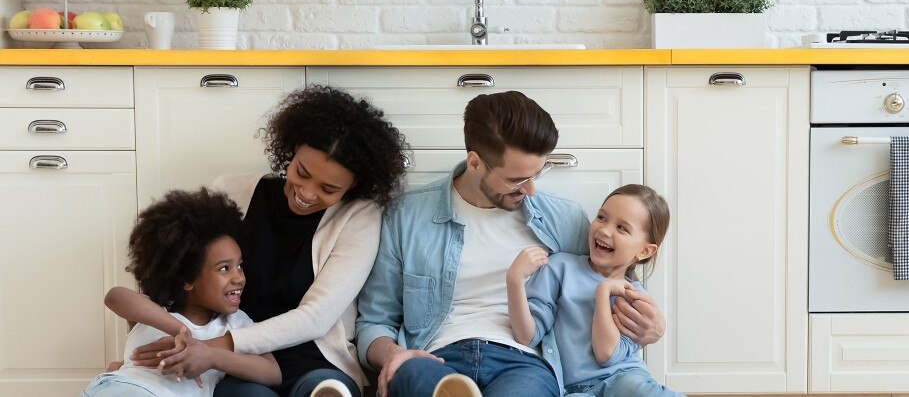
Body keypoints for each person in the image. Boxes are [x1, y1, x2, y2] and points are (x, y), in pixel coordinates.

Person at [356, 91, 667, 397]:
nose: (531, 189)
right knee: (414, 375)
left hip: (524, 361)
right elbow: (375, 320)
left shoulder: (564, 218)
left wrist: (652, 327)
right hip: (435, 356)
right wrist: (392, 354)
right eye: (517, 179)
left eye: (537, 173)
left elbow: (610, 277)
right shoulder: (407, 216)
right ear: (475, 163)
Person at [121, 85, 409, 397]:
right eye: (301, 172)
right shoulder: (233, 191)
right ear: (293, 148)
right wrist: (133, 361)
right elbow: (179, 271)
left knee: (326, 391)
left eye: (328, 189)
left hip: (313, 359)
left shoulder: (359, 216)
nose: (307, 194)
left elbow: (317, 317)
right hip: (238, 362)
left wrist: (211, 347)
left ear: (353, 187)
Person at [83, 188, 281, 397]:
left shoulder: (234, 324)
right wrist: (182, 331)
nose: (239, 277)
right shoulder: (156, 310)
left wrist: (210, 356)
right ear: (188, 278)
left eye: (239, 266)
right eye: (224, 268)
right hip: (121, 389)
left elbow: (272, 373)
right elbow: (115, 297)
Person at [508, 184, 683, 397]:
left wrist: (603, 292)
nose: (605, 230)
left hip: (623, 379)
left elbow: (606, 354)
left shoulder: (636, 296)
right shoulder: (560, 267)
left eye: (622, 228)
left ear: (645, 251)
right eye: (601, 217)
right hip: (572, 389)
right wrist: (515, 281)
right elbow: (527, 336)